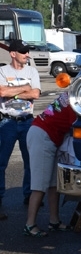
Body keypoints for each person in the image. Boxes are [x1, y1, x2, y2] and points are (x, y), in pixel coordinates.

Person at [24, 74, 76, 237]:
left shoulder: (69, 96)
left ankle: (54, 221)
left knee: (54, 183)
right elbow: (76, 127)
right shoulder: (75, 103)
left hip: (45, 134)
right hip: (43, 136)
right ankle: (30, 224)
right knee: (39, 185)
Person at [0, 39, 41, 221]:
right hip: (7, 122)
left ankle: (29, 195)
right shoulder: (2, 71)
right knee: (1, 163)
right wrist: (25, 87)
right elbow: (1, 92)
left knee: (30, 161)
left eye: (27, 51)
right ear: (13, 53)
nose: (27, 55)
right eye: (23, 52)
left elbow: (35, 94)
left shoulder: (32, 71)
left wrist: (14, 91)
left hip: (27, 121)